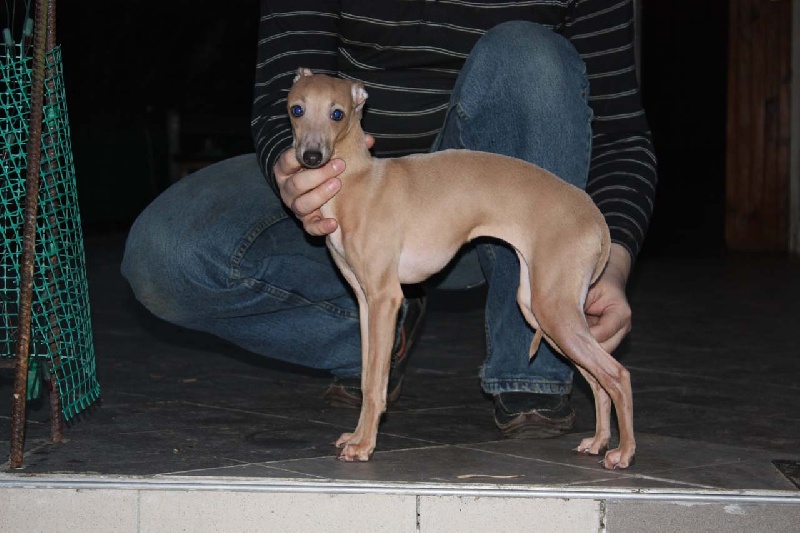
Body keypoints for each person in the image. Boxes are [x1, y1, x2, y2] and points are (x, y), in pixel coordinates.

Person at [121, 0, 657, 439]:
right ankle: (385, 324)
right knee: (165, 255)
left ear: (356, 107)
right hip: (346, 175)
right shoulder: (320, 113)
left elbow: (621, 135)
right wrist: (286, 174)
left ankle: (529, 372)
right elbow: (293, 85)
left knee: (530, 54)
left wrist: (608, 263)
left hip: (482, 201)